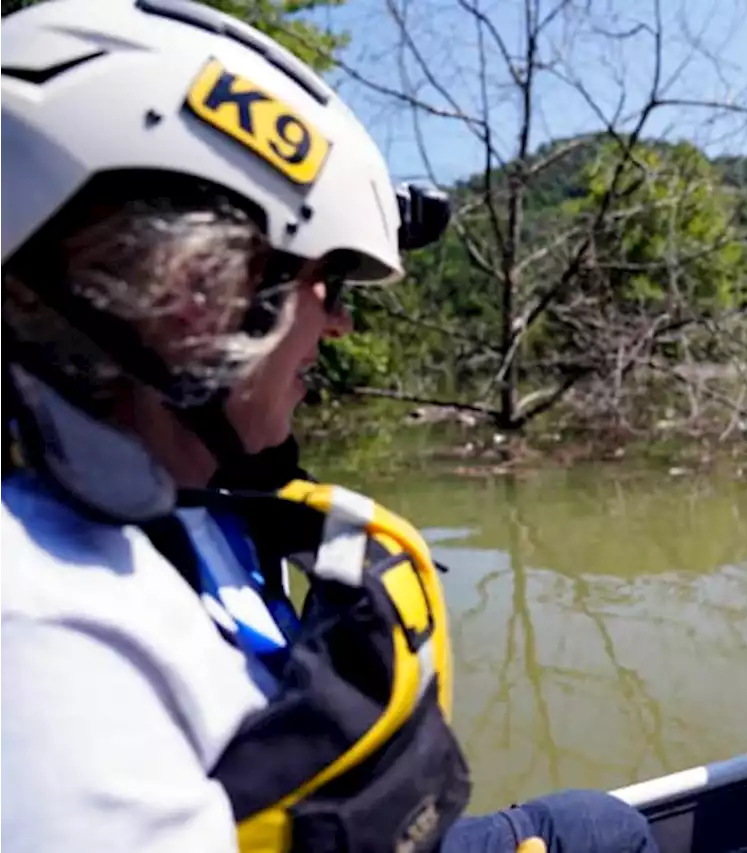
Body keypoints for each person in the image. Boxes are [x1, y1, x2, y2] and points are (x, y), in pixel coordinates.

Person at [0, 2, 660, 852]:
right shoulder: (43, 633)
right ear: (200, 285)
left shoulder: (157, 502)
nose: (339, 326)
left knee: (598, 824)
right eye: (331, 283)